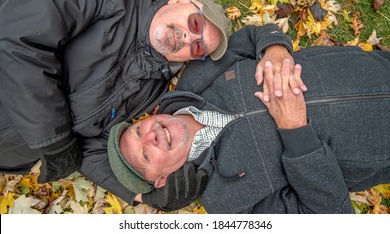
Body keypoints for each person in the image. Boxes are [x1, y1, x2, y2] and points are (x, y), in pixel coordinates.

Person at [0, 0, 299, 211]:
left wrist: (145, 193)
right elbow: (17, 39)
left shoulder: (151, 91)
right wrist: (52, 139)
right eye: (195, 24)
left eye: (197, 48)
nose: (188, 38)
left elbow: (91, 147)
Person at [107, 24, 390, 213]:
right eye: (145, 154)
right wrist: (295, 133)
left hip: (376, 67)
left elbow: (253, 35)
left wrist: (275, 49)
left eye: (138, 131)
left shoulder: (197, 79)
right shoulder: (227, 202)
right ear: (161, 180)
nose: (150, 135)